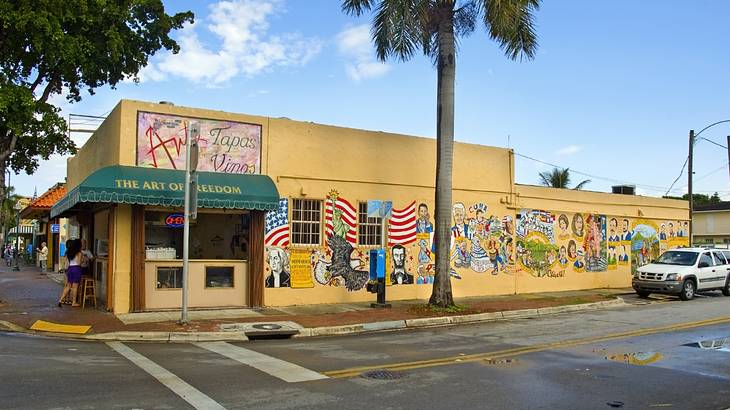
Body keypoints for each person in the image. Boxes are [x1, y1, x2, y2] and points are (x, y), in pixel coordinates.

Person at [58, 239, 82, 307]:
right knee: (75, 287)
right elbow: (79, 263)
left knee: (68, 286)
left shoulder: (69, 252)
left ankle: (60, 300)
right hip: (76, 269)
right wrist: (83, 261)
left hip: (70, 269)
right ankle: (74, 302)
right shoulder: (79, 253)